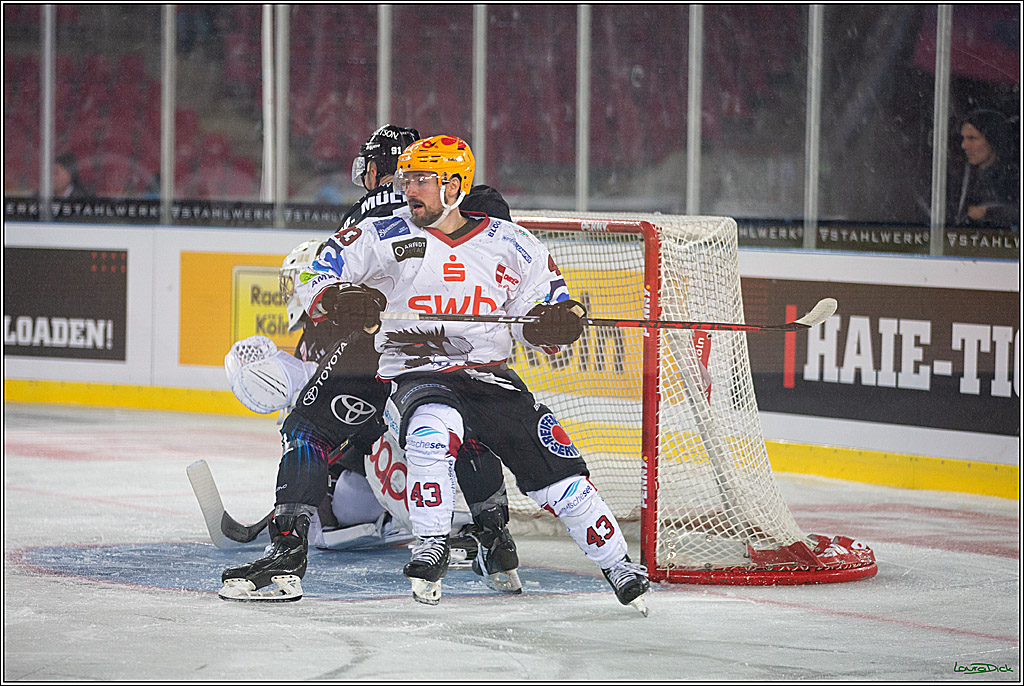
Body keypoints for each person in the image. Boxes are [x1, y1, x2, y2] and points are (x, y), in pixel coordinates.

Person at [296, 135, 650, 614]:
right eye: (406, 179)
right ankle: (431, 545)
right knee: (431, 430)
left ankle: (618, 565)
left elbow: (542, 311)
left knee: (558, 471)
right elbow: (314, 272)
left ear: (454, 186)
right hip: (417, 374)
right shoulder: (380, 234)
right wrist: (334, 296)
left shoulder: (511, 243)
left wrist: (554, 322)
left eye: (422, 180)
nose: (408, 189)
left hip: (489, 378)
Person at [219, 126, 522, 601]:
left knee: (307, 431)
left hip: (376, 347)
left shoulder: (364, 214)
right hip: (454, 345)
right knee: (468, 429)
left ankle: (287, 556)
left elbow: (325, 273)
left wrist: (331, 298)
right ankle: (496, 543)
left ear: (381, 168)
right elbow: (498, 228)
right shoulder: (466, 202)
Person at [952, 108, 1019, 229]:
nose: (964, 145)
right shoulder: (958, 178)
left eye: (972, 138)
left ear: (992, 140)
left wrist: (989, 213)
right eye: (963, 138)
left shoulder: (1013, 178)